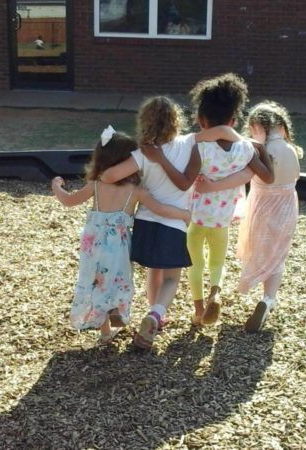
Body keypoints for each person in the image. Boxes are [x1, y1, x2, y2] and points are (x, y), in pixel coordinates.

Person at [99, 95, 244, 350]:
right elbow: (226, 132)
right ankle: (155, 314)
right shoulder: (189, 142)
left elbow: (109, 176)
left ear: (145, 122)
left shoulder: (143, 153)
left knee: (153, 270)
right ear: (176, 121)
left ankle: (150, 313)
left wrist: (135, 183)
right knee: (171, 278)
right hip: (174, 225)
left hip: (145, 224)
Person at [139, 73, 275, 329]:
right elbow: (268, 177)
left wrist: (160, 160)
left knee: (195, 263)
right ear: (234, 120)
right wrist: (261, 147)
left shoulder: (199, 148)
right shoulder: (246, 149)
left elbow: (184, 182)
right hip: (221, 219)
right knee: (216, 261)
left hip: (195, 217)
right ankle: (217, 290)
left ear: (201, 120)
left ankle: (199, 310)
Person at [51, 126, 191, 346]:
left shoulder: (95, 185)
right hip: (119, 245)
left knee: (96, 281)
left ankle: (105, 332)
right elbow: (161, 209)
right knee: (117, 280)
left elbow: (69, 201)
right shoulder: (135, 190)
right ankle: (116, 308)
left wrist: (56, 186)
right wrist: (184, 214)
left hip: (93, 244)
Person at [195, 101, 302, 332]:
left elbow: (243, 176)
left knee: (262, 248)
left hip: (262, 205)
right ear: (282, 128)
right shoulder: (291, 150)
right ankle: (267, 299)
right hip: (287, 205)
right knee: (277, 253)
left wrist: (214, 186)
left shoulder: (257, 151)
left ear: (256, 128)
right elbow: (295, 178)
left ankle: (265, 298)